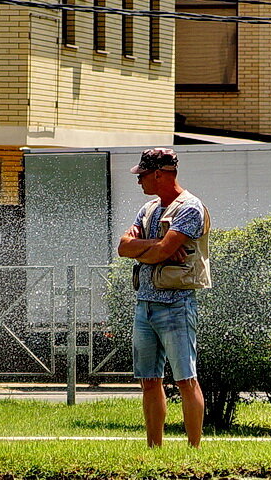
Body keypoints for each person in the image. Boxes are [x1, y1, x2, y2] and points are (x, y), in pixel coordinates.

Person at [116, 147, 210, 448]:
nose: (139, 180)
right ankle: (154, 449)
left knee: (185, 379)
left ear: (159, 174)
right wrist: (157, 244)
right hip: (144, 305)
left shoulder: (189, 208)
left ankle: (194, 450)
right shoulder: (149, 209)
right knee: (149, 380)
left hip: (176, 304)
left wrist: (148, 248)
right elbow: (123, 247)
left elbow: (156, 252)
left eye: (142, 175)